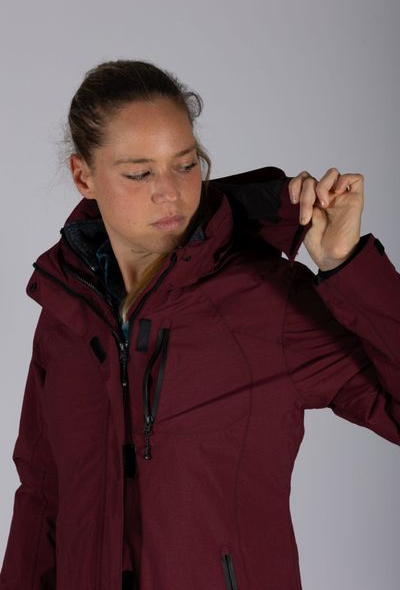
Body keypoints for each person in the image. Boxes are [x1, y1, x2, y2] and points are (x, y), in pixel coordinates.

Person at [0, 59, 398, 590]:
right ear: (83, 177)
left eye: (185, 165)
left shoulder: (265, 300)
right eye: (140, 173)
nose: (169, 192)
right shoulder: (66, 315)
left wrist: (348, 266)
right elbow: (41, 498)